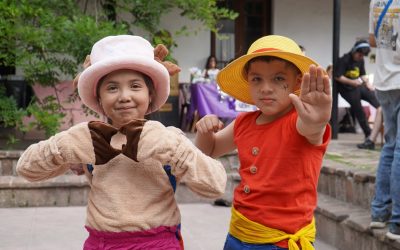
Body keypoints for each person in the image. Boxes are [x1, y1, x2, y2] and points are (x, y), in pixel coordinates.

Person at [16, 35, 227, 249]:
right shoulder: (88, 140)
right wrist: (66, 144)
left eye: (135, 86)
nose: (124, 96)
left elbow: (215, 185)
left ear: (150, 94)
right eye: (112, 88)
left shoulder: (169, 137)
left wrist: (171, 147)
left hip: (158, 243)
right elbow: (26, 169)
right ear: (98, 98)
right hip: (101, 243)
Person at [195, 35, 332, 250]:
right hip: (239, 232)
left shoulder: (299, 121)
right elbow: (209, 150)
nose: (266, 88)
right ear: (248, 81)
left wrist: (317, 121)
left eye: (278, 78)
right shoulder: (243, 123)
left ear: (297, 81)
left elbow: (312, 131)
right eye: (257, 79)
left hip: (280, 241)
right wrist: (205, 131)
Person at [369, 0, 400, 240]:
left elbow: (373, 40)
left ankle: (379, 214)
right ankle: (397, 223)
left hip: (383, 79)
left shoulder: (376, 1)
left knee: (390, 146)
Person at [334, 40, 382, 149]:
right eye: (360, 55)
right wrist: (352, 82)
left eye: (363, 56)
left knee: (377, 101)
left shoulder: (361, 61)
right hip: (347, 89)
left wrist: (368, 84)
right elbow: (338, 76)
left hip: (358, 86)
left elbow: (363, 75)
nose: (361, 57)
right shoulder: (344, 60)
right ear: (354, 51)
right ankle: (369, 135)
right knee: (358, 109)